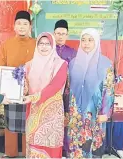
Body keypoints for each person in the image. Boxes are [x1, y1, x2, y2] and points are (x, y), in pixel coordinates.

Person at [66, 28, 115, 158]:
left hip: (95, 111)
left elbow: (109, 90)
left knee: (92, 144)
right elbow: (68, 89)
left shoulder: (105, 64)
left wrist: (105, 112)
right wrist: (66, 111)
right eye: (83, 40)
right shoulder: (72, 63)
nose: (86, 43)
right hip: (75, 112)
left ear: (97, 42)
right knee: (75, 145)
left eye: (90, 40)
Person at [0, 10, 36, 157]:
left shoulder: (36, 44)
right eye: (19, 23)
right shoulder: (6, 44)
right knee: (11, 123)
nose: (21, 27)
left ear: (30, 26)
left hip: (31, 91)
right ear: (14, 26)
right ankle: (10, 153)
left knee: (29, 123)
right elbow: (1, 67)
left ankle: (29, 153)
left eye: (25, 24)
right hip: (11, 91)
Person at [23, 32, 67, 158]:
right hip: (33, 111)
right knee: (33, 144)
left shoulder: (61, 64)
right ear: (37, 45)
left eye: (47, 44)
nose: (44, 47)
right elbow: (25, 89)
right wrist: (16, 82)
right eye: (41, 43)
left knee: (50, 145)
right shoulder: (28, 65)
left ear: (52, 45)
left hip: (52, 113)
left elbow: (55, 86)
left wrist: (33, 97)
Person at [53, 19, 77, 157]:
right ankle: (54, 149)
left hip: (67, 93)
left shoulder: (73, 53)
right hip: (51, 93)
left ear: (67, 35)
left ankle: (66, 150)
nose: (60, 36)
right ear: (53, 34)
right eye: (58, 33)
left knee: (66, 120)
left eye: (63, 33)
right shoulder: (47, 51)